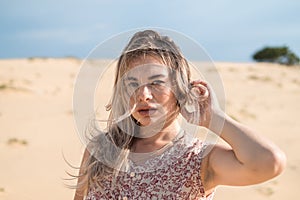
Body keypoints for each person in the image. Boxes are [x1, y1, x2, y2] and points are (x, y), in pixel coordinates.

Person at [72, 30, 286, 200]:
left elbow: (270, 162)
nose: (143, 95)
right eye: (132, 84)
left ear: (180, 88)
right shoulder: (100, 150)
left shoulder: (198, 160)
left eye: (156, 82)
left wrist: (214, 118)